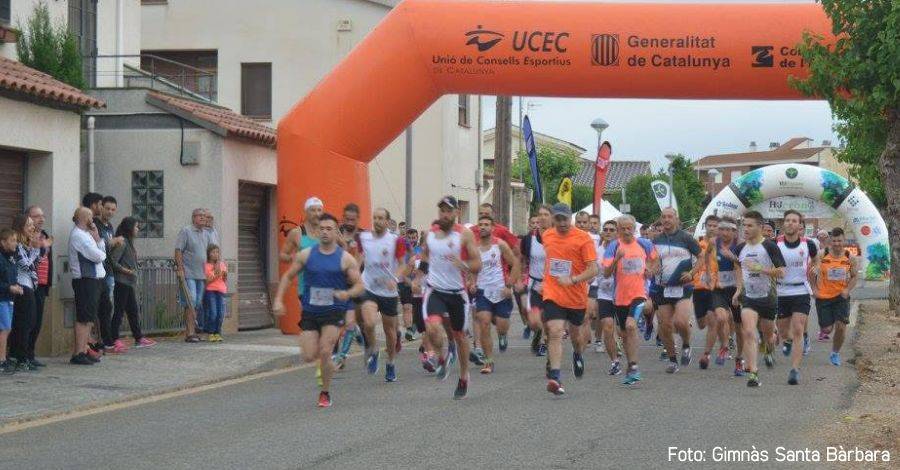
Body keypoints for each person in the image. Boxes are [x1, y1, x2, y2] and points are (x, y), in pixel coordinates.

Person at [273, 213, 363, 408]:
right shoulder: (306, 254)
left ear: (336, 232)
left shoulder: (345, 259)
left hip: (333, 311)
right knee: (307, 355)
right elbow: (288, 277)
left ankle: (325, 391)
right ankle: (327, 363)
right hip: (310, 310)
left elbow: (359, 285)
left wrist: (347, 295)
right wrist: (279, 299)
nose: (324, 232)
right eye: (321, 228)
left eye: (329, 228)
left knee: (324, 350)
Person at [414, 196, 481, 399]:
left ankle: (463, 376)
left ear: (456, 213)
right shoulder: (431, 235)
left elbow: (477, 263)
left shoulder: (465, 235)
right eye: (441, 210)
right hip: (435, 290)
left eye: (448, 211)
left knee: (460, 336)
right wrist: (418, 278)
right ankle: (442, 360)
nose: (444, 214)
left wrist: (464, 266)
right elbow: (425, 256)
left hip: (457, 294)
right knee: (432, 327)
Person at [541, 203, 598, 395]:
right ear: (553, 220)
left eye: (565, 219)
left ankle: (578, 353)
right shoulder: (547, 235)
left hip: (575, 296)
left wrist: (573, 279)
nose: (562, 223)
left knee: (576, 336)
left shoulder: (583, 239)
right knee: (555, 331)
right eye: (558, 219)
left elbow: (593, 269)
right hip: (552, 292)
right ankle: (555, 376)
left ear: (570, 218)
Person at [603, 215, 657, 385]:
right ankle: (630, 365)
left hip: (639, 293)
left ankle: (634, 366)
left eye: (629, 228)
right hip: (620, 297)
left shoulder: (645, 244)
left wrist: (651, 270)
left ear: (634, 229)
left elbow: (656, 262)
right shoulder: (613, 246)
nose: (626, 231)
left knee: (631, 325)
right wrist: (617, 259)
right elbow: (606, 273)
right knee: (625, 335)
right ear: (618, 230)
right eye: (623, 228)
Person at [735, 211, 786, 387]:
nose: (746, 228)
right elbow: (737, 266)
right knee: (748, 332)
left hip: (768, 297)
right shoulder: (740, 248)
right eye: (744, 225)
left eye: (750, 225)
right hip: (749, 298)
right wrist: (738, 289)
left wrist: (760, 268)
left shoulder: (770, 246)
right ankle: (754, 373)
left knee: (768, 334)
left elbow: (781, 272)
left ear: (760, 227)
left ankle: (769, 348)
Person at [358, 208, 408, 382]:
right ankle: (373, 350)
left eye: (381, 218)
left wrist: (396, 278)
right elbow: (359, 258)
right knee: (369, 323)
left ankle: (391, 362)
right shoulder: (364, 237)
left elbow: (402, 264)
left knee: (390, 331)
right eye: (375, 218)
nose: (377, 221)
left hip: (388, 291)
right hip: (369, 286)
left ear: (387, 222)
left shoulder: (396, 241)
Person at [652, 207, 702, 373]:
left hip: (683, 286)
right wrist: (651, 268)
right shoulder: (656, 239)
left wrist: (692, 273)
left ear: (676, 219)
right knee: (665, 325)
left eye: (669, 217)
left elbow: (702, 257)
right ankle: (673, 360)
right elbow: (651, 260)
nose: (666, 220)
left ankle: (687, 344)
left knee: (680, 321)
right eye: (663, 217)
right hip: (663, 287)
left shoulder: (686, 238)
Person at [775, 210, 819, 385]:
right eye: (788, 220)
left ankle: (794, 369)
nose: (791, 223)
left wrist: (815, 268)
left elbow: (816, 260)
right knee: (785, 331)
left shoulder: (809, 244)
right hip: (781, 292)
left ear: (800, 225)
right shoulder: (774, 244)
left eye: (794, 221)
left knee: (799, 328)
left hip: (801, 290)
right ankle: (787, 339)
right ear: (783, 224)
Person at [473, 215, 520, 374]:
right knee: (484, 323)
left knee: (501, 325)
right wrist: (471, 282)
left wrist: (509, 285)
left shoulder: (500, 245)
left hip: (500, 289)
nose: (483, 227)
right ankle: (488, 361)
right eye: (480, 225)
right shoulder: (474, 247)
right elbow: (472, 269)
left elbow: (515, 264)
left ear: (493, 228)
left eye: (486, 224)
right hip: (483, 291)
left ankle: (502, 335)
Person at [812, 228, 857, 366]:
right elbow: (811, 272)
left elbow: (855, 276)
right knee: (827, 329)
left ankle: (835, 352)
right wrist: (814, 289)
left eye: (840, 241)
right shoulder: (822, 254)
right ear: (830, 241)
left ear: (844, 241)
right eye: (834, 241)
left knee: (841, 326)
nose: (837, 243)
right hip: (823, 297)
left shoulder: (850, 257)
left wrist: (847, 289)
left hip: (841, 296)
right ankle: (825, 327)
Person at [109, 217, 156, 349]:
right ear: (129, 228)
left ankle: (139, 338)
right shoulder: (122, 242)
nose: (137, 229)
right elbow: (113, 261)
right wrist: (126, 271)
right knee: (119, 310)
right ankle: (114, 338)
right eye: (136, 226)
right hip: (121, 281)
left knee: (133, 311)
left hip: (129, 283)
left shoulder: (129, 243)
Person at [69, 207, 108, 365]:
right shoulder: (78, 235)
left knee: (89, 317)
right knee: (84, 318)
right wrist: (101, 250)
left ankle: (84, 349)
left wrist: (98, 238)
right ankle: (78, 352)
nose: (93, 219)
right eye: (91, 216)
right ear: (85, 218)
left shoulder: (88, 234)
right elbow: (97, 256)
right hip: (85, 280)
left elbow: (101, 249)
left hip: (95, 279)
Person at [174, 208, 215, 343]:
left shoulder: (207, 234)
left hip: (201, 275)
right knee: (190, 301)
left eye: (204, 216)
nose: (203, 218)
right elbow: (178, 250)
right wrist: (180, 268)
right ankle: (190, 333)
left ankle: (193, 332)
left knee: (197, 303)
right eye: (200, 216)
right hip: (189, 272)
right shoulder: (186, 231)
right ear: (193, 218)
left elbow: (209, 254)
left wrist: (211, 271)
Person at [710, 216, 743, 374]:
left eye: (727, 229)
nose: (723, 232)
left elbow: (742, 268)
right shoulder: (713, 243)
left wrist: (734, 258)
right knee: (721, 317)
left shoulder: (741, 246)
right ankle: (724, 346)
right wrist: (709, 276)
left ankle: (739, 359)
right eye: (721, 229)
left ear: (734, 231)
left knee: (739, 327)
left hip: (737, 289)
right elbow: (705, 259)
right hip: (719, 288)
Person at [8, 215, 40, 371]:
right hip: (22, 287)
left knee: (30, 323)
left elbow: (36, 262)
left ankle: (21, 356)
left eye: (33, 225)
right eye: (29, 225)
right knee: (23, 324)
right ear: (20, 227)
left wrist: (36, 247)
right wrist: (35, 249)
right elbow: (27, 265)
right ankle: (20, 358)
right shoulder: (18, 246)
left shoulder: (27, 246)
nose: (32, 228)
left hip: (29, 286)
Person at [520, 205, 553, 357]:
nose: (542, 217)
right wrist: (519, 278)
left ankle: (545, 342)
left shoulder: (558, 237)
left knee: (550, 320)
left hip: (553, 285)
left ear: (552, 217)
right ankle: (538, 332)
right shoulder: (529, 239)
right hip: (535, 284)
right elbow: (522, 259)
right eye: (540, 214)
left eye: (546, 214)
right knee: (533, 321)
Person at [693, 215, 724, 370]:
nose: (712, 228)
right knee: (700, 324)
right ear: (705, 226)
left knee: (713, 319)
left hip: (715, 288)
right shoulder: (698, 244)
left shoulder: (722, 246)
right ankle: (720, 336)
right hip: (698, 288)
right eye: (709, 225)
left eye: (715, 226)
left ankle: (706, 354)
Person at [595, 219, 624, 373]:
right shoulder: (598, 250)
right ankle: (615, 362)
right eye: (605, 229)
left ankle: (630, 358)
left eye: (611, 230)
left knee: (625, 330)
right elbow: (594, 270)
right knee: (607, 327)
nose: (608, 232)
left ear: (617, 233)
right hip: (604, 293)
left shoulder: (623, 249)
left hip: (622, 294)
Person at [26, 206, 51, 368]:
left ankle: (30, 354)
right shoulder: (26, 236)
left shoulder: (45, 236)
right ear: (28, 218)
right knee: (28, 321)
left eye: (42, 216)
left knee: (37, 321)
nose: (41, 219)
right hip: (28, 285)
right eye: (36, 216)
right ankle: (22, 356)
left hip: (42, 284)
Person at [95, 195, 120, 352]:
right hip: (99, 271)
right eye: (108, 208)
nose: (110, 212)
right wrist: (110, 242)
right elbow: (96, 244)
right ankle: (103, 339)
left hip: (109, 270)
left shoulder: (110, 226)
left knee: (108, 305)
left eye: (113, 209)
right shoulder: (95, 225)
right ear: (101, 207)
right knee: (103, 306)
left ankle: (106, 338)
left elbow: (109, 249)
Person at [0, 228, 21, 374]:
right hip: (2, 298)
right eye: (12, 240)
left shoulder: (12, 258)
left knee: (7, 329)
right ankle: (1, 360)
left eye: (16, 240)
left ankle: (3, 358)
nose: (16, 243)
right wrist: (10, 288)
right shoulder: (1, 259)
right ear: (3, 242)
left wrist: (16, 286)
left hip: (10, 299)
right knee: (4, 329)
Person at [203, 244, 228, 342]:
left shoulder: (222, 264)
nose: (215, 254)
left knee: (220, 313)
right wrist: (216, 274)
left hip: (221, 291)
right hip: (211, 291)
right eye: (213, 252)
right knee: (213, 312)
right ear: (208, 254)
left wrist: (224, 275)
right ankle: (211, 333)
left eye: (217, 252)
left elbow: (224, 279)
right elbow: (207, 281)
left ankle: (218, 332)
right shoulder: (206, 266)